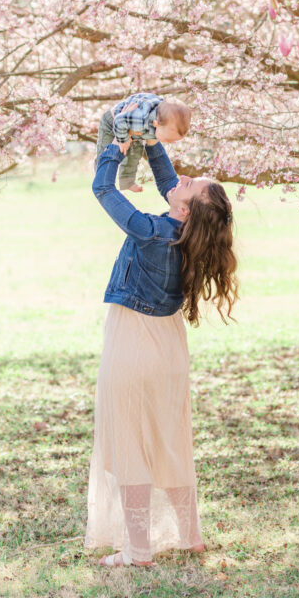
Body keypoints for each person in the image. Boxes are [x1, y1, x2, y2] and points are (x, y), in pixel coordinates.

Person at [85, 135, 239, 567]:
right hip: (168, 345)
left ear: (185, 210)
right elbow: (171, 180)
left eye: (191, 185)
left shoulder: (151, 231)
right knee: (170, 440)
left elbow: (102, 190)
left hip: (135, 342)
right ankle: (190, 536)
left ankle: (137, 550)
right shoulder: (187, 235)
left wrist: (115, 147)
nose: (182, 177)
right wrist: (151, 140)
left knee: (132, 443)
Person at [94, 93, 191, 193]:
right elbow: (119, 120)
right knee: (106, 150)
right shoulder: (140, 120)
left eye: (173, 140)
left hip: (138, 131)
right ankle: (99, 176)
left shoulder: (164, 122)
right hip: (113, 122)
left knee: (135, 153)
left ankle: (127, 180)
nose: (170, 143)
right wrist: (123, 140)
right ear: (156, 124)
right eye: (167, 139)